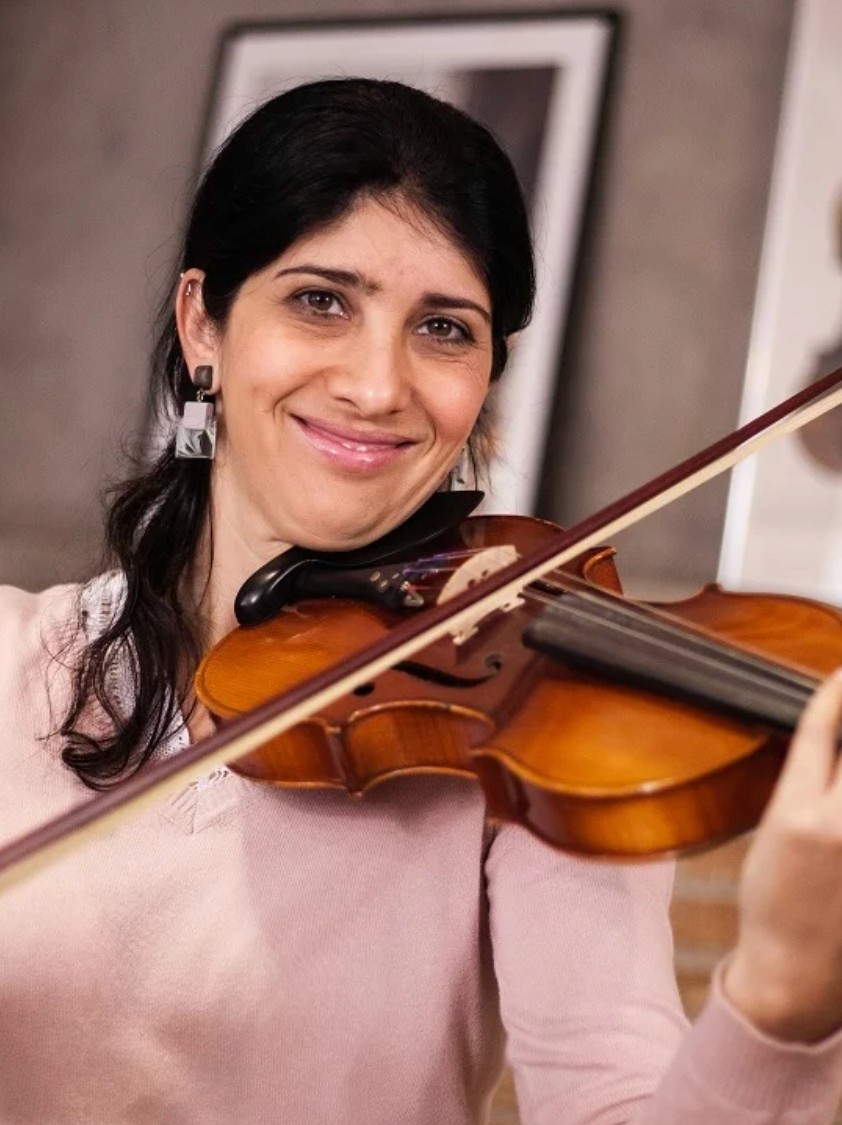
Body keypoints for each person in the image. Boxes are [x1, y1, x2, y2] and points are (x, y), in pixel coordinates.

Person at [1, 77, 842, 1125]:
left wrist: (779, 1002)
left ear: (486, 377)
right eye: (321, 301)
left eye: (442, 328)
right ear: (202, 325)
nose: (375, 385)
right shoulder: (9, 660)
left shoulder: (528, 745)